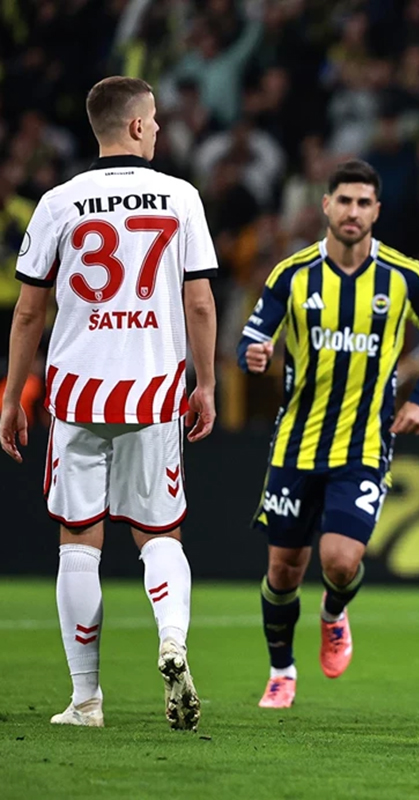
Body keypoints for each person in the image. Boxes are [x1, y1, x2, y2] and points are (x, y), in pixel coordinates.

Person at [0, 76, 218, 730]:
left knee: (78, 540)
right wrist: (205, 384)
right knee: (160, 534)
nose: (159, 128)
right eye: (154, 118)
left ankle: (86, 700)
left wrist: (12, 395)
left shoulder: (58, 202)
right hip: (153, 391)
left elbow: (29, 312)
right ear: (136, 125)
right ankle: (172, 640)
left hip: (78, 393)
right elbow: (200, 302)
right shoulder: (181, 197)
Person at [238, 159, 419, 710]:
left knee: (340, 561)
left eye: (363, 203)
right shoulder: (292, 274)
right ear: (326, 205)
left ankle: (334, 612)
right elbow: (250, 339)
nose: (353, 212)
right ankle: (281, 671)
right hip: (296, 444)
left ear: (376, 211)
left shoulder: (404, 276)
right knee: (283, 570)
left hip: (363, 446)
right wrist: (254, 355)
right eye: (344, 201)